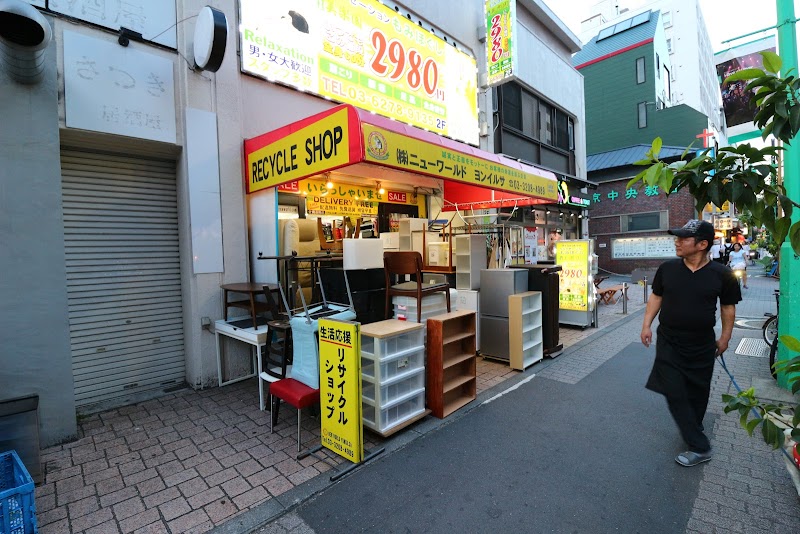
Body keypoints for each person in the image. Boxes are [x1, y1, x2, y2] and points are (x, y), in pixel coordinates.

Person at [640, 219, 741, 467]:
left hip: (702, 343)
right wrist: (646, 325)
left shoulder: (723, 274)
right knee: (674, 389)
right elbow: (656, 297)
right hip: (669, 340)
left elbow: (728, 308)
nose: (677, 242)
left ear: (702, 244)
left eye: (683, 238)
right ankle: (700, 446)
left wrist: (725, 338)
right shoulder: (667, 269)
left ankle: (692, 426)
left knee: (698, 390)